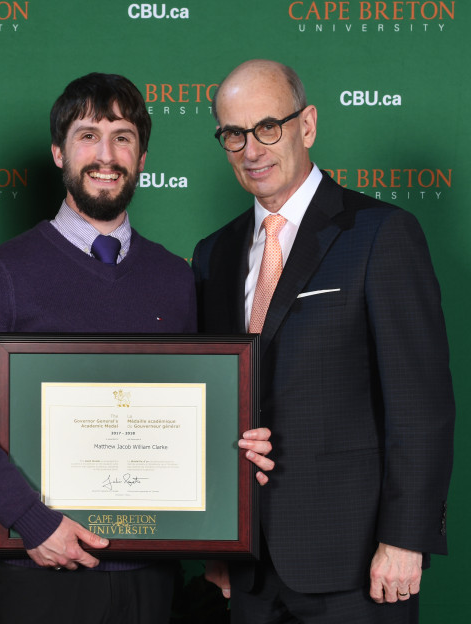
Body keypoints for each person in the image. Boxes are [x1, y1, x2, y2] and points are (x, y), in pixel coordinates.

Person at [0, 72, 274, 624]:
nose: (105, 155)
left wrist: (220, 527)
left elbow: (201, 415)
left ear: (143, 156)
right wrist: (31, 520)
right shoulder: (5, 272)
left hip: (152, 579)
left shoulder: (174, 278)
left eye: (122, 137)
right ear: (59, 151)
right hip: (38, 574)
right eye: (88, 136)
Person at [193, 59, 454, 623]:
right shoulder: (212, 254)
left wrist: (406, 540)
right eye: (233, 134)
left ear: (306, 125)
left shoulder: (381, 234)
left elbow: (422, 406)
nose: (252, 149)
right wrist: (217, 541)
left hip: (358, 566)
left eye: (268, 127)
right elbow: (214, 404)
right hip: (248, 569)